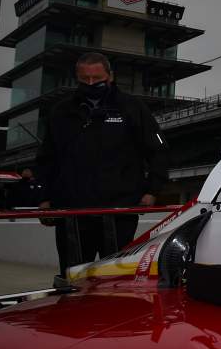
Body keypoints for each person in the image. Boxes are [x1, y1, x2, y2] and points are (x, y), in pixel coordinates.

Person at [37, 52, 169, 270]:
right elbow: (46, 158)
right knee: (72, 277)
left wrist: (152, 190)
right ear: (77, 78)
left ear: (110, 76)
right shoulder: (61, 111)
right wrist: (44, 197)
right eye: (84, 79)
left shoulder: (133, 108)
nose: (90, 84)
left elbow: (159, 151)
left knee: (116, 278)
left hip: (119, 211)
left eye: (96, 79)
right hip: (71, 213)